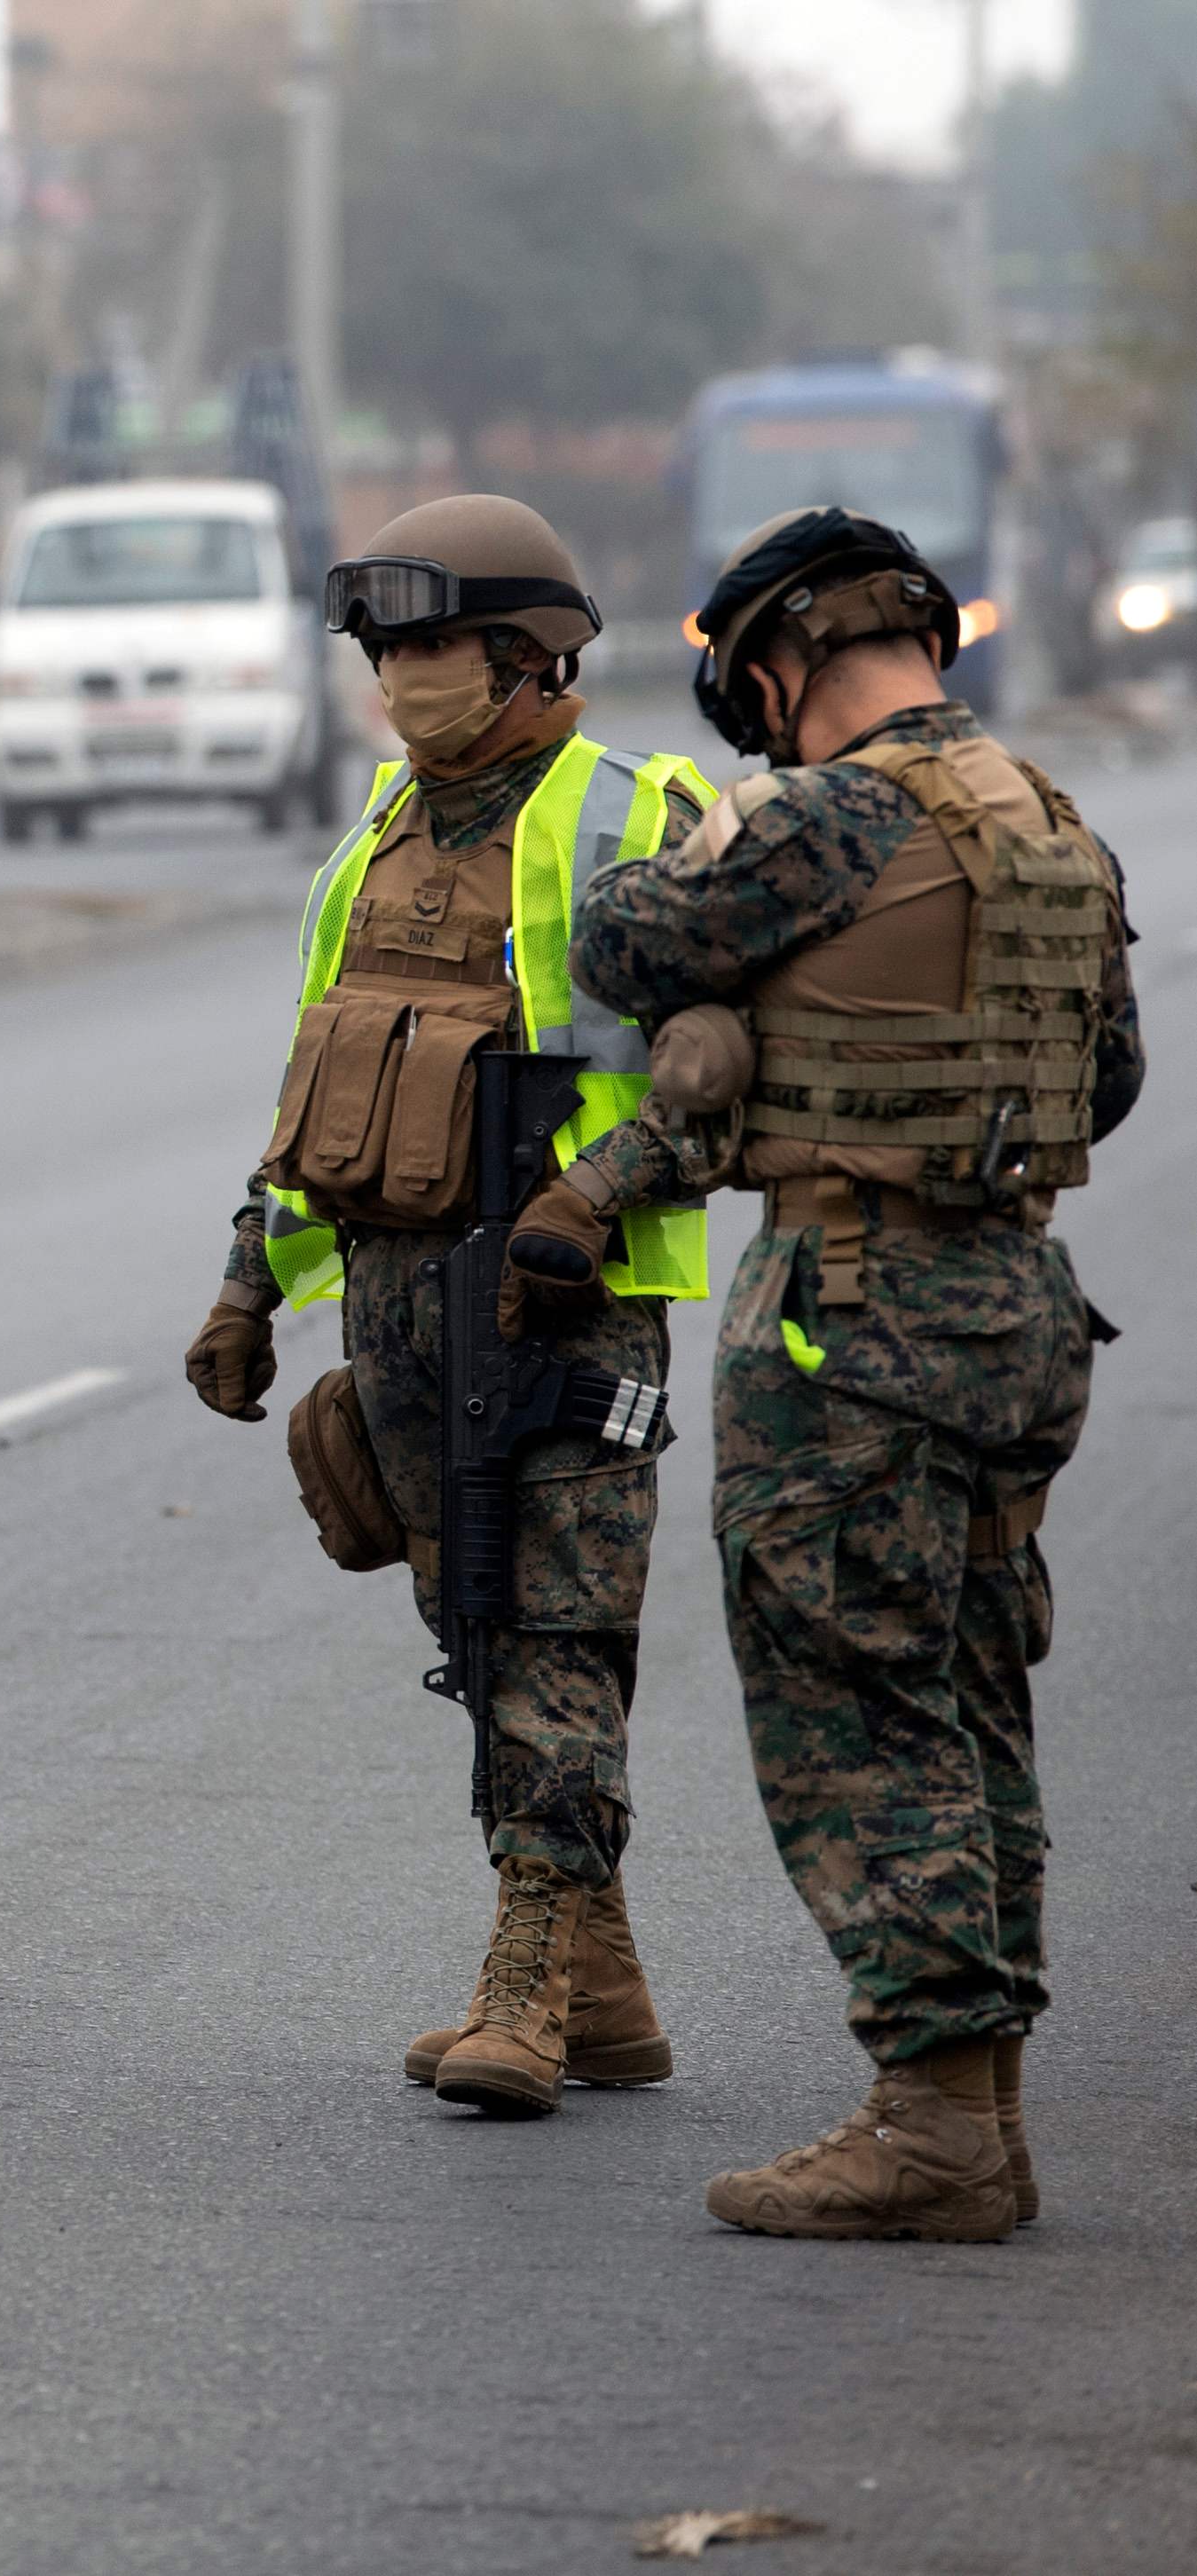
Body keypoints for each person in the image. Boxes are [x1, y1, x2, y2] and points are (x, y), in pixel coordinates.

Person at [571, 507, 1143, 2241]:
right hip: (1013, 1303)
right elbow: (1106, 1078)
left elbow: (617, 945)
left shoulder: (817, 818)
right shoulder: (1044, 816)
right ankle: (985, 2108)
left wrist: (726, 864)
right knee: (967, 1699)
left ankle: (927, 2120)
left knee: (853, 1713)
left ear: (775, 664)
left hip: (849, 1310)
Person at [181, 495, 716, 2117]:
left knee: (555, 1638)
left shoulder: (640, 814)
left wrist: (587, 1198)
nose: (399, 675)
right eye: (384, 647)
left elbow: (722, 1066)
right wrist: (246, 1279)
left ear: (529, 652)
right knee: (476, 1633)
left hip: (560, 1306)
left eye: (429, 643)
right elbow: (319, 1080)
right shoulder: (376, 836)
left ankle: (526, 1986)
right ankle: (600, 1991)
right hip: (397, 1305)